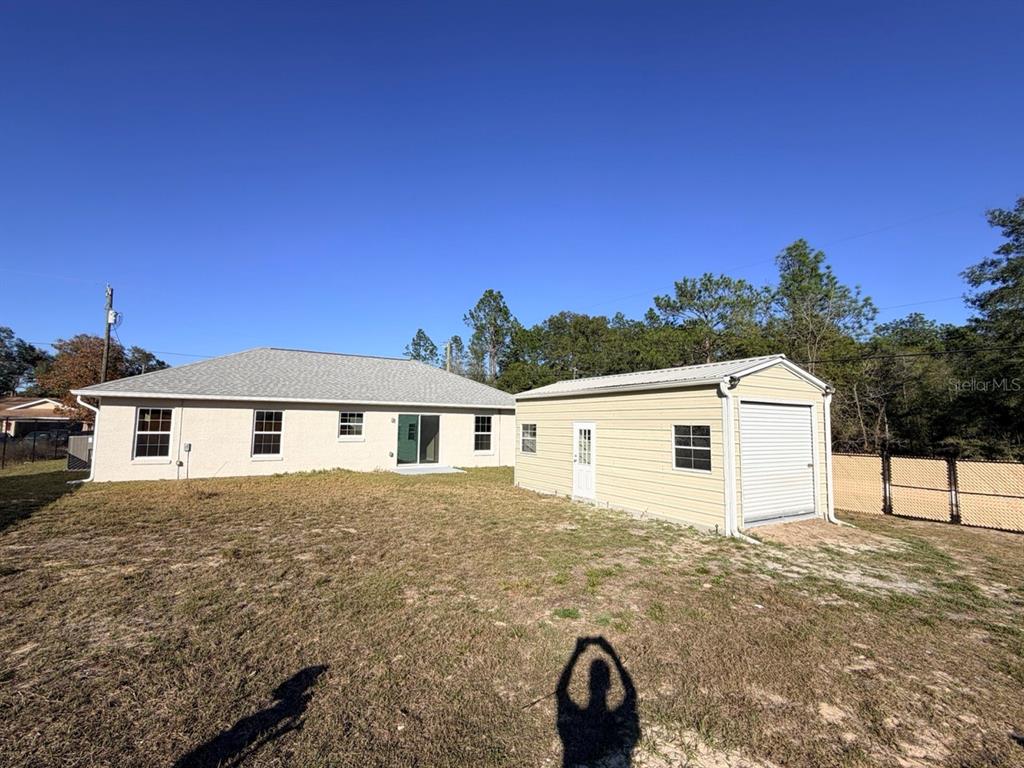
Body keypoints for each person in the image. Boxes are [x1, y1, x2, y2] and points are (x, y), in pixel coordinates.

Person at [555, 636, 639, 767]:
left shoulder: (578, 729)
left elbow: (561, 693)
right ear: (609, 685)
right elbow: (631, 695)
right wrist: (612, 655)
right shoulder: (616, 737)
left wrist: (576, 653)